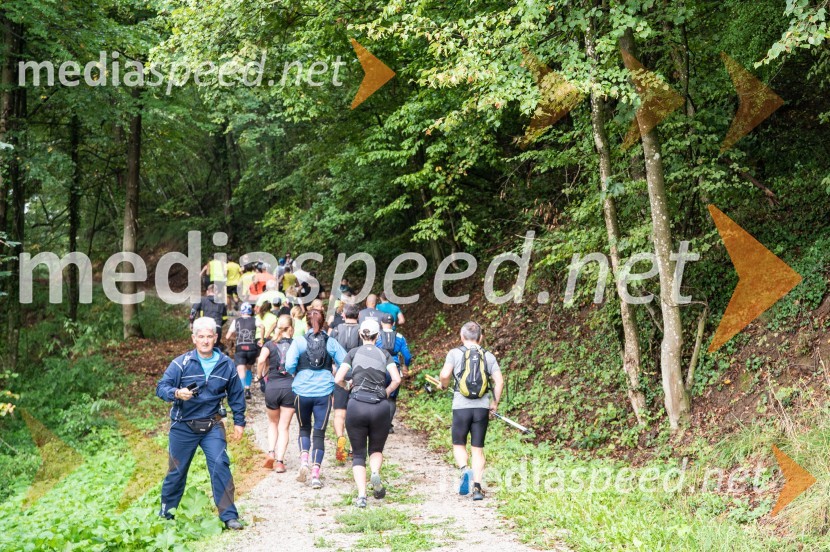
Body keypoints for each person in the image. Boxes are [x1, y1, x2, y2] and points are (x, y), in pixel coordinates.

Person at [156, 317, 246, 529]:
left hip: (212, 425)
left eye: (209, 337)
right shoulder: (181, 363)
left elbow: (236, 395)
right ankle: (166, 515)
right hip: (183, 425)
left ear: (215, 338)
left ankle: (229, 517)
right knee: (176, 472)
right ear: (194, 339)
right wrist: (177, 393)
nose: (205, 341)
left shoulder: (226, 364)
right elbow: (161, 387)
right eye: (201, 337)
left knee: (220, 466)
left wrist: (239, 422)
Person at [334, 318, 401, 508]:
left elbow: (338, 378)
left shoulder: (352, 353)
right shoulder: (384, 354)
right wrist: (386, 392)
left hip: (356, 405)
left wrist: (347, 385)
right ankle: (375, 473)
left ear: (360, 334)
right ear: (377, 335)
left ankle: (362, 495)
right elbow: (396, 379)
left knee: (358, 454)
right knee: (376, 449)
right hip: (379, 406)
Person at [438, 322, 504, 501]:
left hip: (461, 406)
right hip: (481, 407)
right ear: (481, 337)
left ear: (461, 336)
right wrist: (494, 403)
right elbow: (499, 381)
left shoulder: (454, 353)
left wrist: (443, 385)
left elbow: (444, 375)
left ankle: (464, 470)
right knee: (478, 449)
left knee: (458, 443)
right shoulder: (488, 356)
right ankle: (476, 487)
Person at [285, 306, 347, 489]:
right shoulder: (331, 342)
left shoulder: (298, 341)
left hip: (301, 391)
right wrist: (335, 373)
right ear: (323, 323)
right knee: (319, 433)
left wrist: (296, 373)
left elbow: (289, 364)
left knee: (304, 428)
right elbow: (345, 362)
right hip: (324, 392)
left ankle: (304, 460)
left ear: (306, 322)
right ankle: (315, 475)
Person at [257, 315, 296, 472]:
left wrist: (259, 376)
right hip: (290, 388)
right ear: (291, 328)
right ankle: (279, 462)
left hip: (272, 387)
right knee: (284, 427)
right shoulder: (296, 344)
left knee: (273, 423)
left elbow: (261, 360)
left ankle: (271, 451)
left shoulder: (269, 344)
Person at [329, 303, 361, 462]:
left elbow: (329, 351)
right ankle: (353, 448)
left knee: (339, 411)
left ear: (344, 315)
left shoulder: (336, 330)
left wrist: (333, 367)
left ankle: (340, 438)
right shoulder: (363, 331)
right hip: (357, 375)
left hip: (339, 374)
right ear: (358, 316)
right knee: (355, 412)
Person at [376, 313, 412, 433]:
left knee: (377, 395)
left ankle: (377, 424)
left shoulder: (376, 335)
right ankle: (387, 426)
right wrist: (406, 366)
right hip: (394, 369)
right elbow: (407, 355)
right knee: (391, 398)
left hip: (379, 368)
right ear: (394, 324)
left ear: (381, 323)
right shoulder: (400, 337)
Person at [225, 302, 258, 400]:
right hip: (252, 348)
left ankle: (243, 389)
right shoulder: (255, 320)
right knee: (248, 368)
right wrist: (260, 339)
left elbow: (227, 336)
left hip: (240, 348)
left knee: (240, 369)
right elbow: (262, 326)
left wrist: (234, 338)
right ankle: (248, 388)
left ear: (241, 311)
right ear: (250, 311)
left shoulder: (236, 321)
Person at [190, 285, 228, 351]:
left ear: (207, 292)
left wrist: (191, 323)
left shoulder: (201, 300)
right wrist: (218, 325)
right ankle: (222, 351)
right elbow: (225, 318)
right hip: (217, 327)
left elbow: (193, 312)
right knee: (214, 347)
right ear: (216, 292)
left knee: (203, 348)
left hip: (204, 327)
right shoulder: (221, 303)